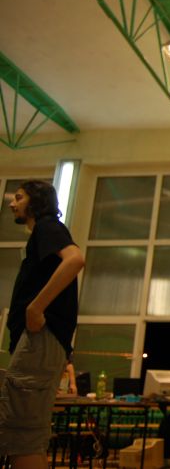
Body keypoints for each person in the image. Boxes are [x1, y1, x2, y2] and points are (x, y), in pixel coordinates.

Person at [0, 180, 85, 469]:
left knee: (21, 437)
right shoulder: (42, 234)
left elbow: (75, 260)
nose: (12, 203)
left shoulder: (48, 227)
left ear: (36, 201)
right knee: (25, 436)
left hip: (40, 340)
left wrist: (36, 307)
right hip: (41, 342)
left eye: (19, 197)